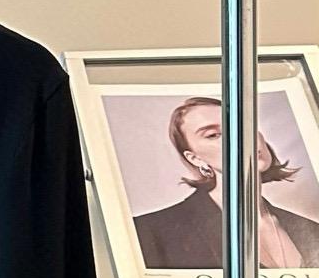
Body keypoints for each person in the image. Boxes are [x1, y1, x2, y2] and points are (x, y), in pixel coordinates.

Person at [135, 96, 319, 269]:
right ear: (195, 158)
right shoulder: (150, 231)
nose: (240, 136)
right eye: (213, 134)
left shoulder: (312, 230)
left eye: (244, 123)